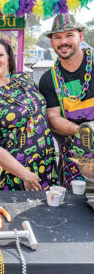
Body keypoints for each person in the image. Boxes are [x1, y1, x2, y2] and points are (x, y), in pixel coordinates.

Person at [0, 37, 58, 191]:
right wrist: (25, 174)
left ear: (8, 58)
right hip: (17, 177)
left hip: (47, 165)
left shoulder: (23, 78)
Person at [39, 13, 94, 188]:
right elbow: (53, 118)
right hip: (73, 152)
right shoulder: (49, 79)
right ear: (52, 43)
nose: (63, 41)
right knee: (75, 208)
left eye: (69, 35)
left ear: (80, 36)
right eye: (58, 37)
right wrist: (84, 132)